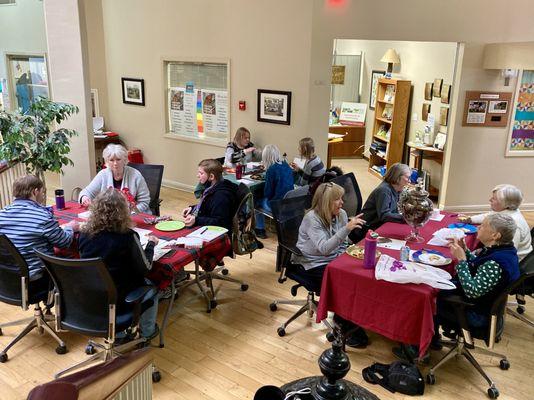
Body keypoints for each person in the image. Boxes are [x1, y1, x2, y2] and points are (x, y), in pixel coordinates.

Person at [395, 213, 520, 361]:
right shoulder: (503, 251)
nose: (479, 227)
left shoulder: (496, 263)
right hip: (484, 304)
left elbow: (471, 291)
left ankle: (417, 349)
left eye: (484, 226)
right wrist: (465, 250)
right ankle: (432, 340)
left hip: (476, 313)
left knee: (424, 295)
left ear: (495, 235)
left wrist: (461, 260)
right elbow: (479, 267)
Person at [292, 182, 368, 347]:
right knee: (342, 283)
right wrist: (346, 229)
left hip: (332, 257)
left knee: (357, 274)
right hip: (311, 262)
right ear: (326, 202)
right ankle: (342, 326)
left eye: (341, 198)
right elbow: (324, 248)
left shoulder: (341, 214)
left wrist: (347, 252)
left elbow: (340, 243)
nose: (342, 202)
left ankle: (354, 320)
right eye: (337, 199)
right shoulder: (312, 219)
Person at [78, 189, 160, 342]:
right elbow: (147, 267)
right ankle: (147, 333)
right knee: (152, 288)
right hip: (122, 297)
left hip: (92, 295)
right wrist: (150, 244)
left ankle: (119, 333)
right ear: (123, 212)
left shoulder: (84, 234)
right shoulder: (128, 237)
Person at [0, 175, 78, 285]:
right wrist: (71, 227)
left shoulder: (2, 215)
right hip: (36, 278)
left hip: (7, 279)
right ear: (35, 192)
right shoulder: (42, 217)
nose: (43, 195)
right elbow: (64, 242)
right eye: (42, 191)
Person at [458, 184, 532, 260]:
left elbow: (508, 253)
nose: (490, 200)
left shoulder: (513, 225)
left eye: (494, 198)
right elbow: (488, 216)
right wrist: (470, 219)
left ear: (506, 204)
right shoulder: (505, 211)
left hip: (516, 260)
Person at [79, 144, 151, 213]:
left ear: (124, 160)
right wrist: (84, 198)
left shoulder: (136, 175)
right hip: (109, 216)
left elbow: (144, 201)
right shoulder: (103, 174)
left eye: (118, 159)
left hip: (134, 215)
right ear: (107, 162)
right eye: (111, 160)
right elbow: (86, 192)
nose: (115, 163)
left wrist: (131, 212)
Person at [349, 162, 410, 243]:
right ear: (397, 177)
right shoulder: (384, 191)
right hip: (366, 231)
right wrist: (407, 218)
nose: (409, 181)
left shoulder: (397, 189)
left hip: (378, 226)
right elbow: (384, 215)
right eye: (407, 177)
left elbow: (396, 209)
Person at [182, 159, 238, 232]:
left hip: (214, 232)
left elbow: (220, 223)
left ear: (211, 176)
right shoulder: (213, 186)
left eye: (201, 173)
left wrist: (196, 220)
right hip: (206, 225)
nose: (197, 176)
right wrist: (193, 208)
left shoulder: (221, 196)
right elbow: (209, 205)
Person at [254, 144, 294, 239]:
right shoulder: (285, 165)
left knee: (255, 200)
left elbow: (267, 193)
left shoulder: (271, 170)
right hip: (289, 204)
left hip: (277, 206)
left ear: (266, 157)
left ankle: (260, 229)